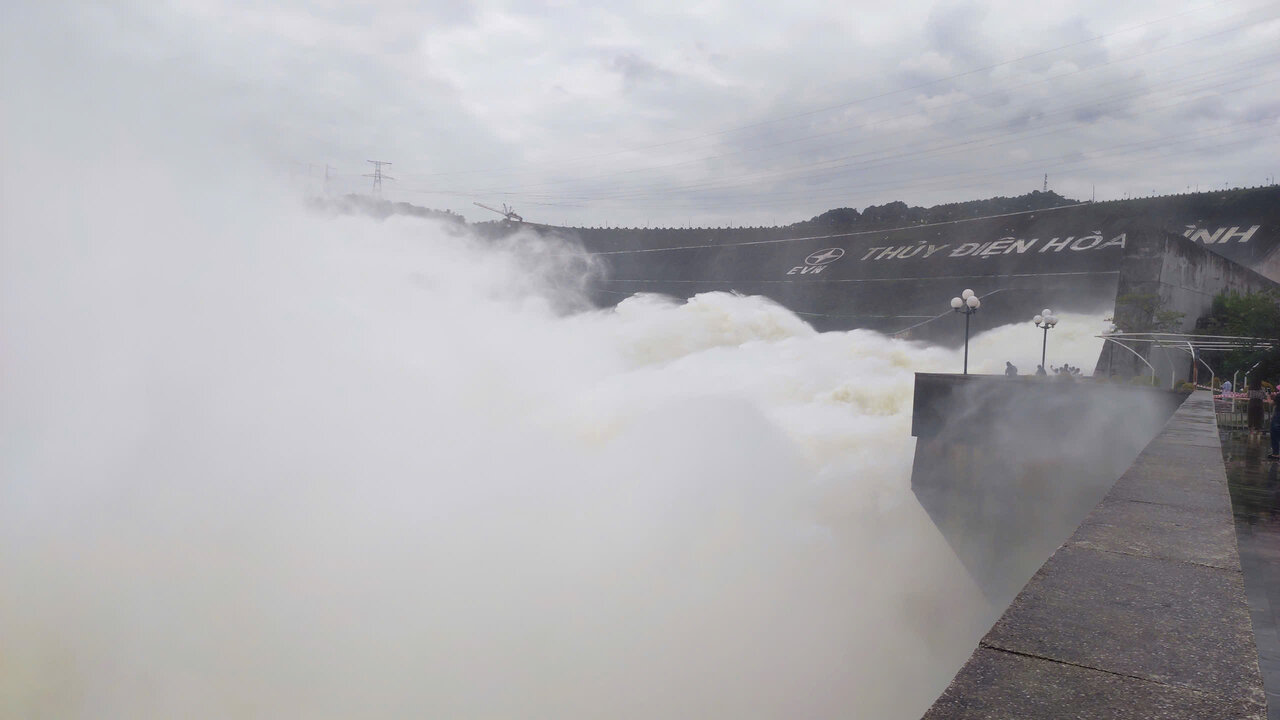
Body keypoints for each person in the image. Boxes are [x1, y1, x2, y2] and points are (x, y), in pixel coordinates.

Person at [1270, 385, 1280, 460]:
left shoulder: (1279, 396)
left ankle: (1276, 453)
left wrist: (1269, 396)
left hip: (1278, 415)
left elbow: (1272, 403)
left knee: (1275, 434)